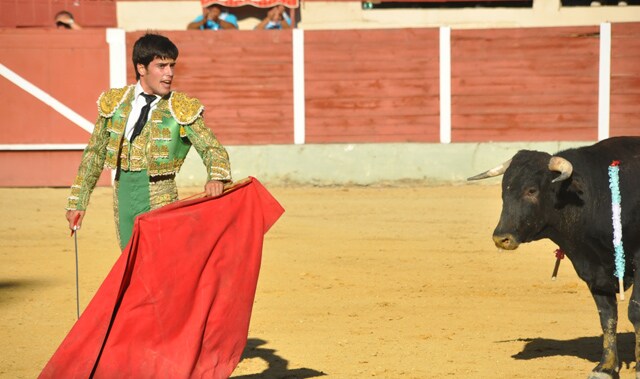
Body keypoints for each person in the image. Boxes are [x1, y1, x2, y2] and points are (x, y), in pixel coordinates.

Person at [65, 33, 231, 250]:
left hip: (160, 194)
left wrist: (216, 177)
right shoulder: (115, 102)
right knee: (129, 258)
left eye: (172, 66)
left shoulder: (180, 106)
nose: (169, 73)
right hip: (122, 193)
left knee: (161, 261)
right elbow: (94, 154)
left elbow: (212, 149)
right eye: (161, 66)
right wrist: (77, 202)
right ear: (141, 68)